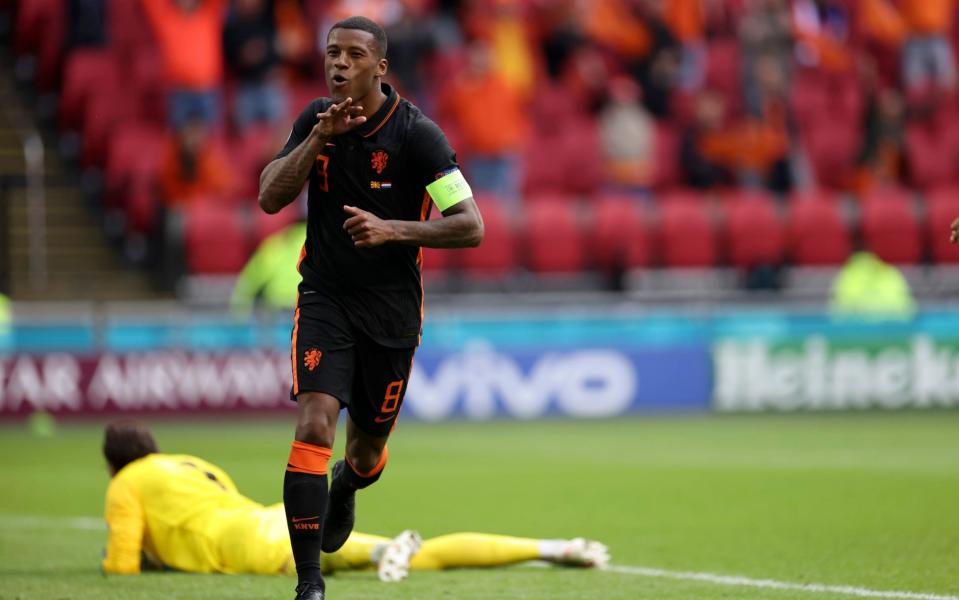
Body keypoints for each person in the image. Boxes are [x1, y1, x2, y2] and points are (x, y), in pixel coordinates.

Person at [256, 16, 484, 600]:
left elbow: (470, 226)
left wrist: (393, 230)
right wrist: (316, 140)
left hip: (391, 312)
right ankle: (310, 583)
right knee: (313, 422)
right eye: (332, 53)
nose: (338, 64)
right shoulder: (315, 119)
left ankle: (348, 487)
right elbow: (268, 196)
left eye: (353, 55)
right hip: (325, 297)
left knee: (365, 452)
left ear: (379, 66)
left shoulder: (418, 136)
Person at [100, 420, 610, 581]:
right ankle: (554, 546)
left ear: (112, 464)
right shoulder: (189, 462)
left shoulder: (125, 484)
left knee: (353, 553)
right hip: (266, 515)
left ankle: (376, 553)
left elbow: (123, 565)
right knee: (422, 552)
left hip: (244, 541)